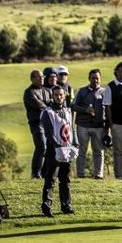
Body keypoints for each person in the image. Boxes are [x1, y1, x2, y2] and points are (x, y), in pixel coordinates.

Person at [40, 83, 78, 217]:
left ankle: (66, 206)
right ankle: (46, 206)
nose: (58, 97)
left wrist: (75, 143)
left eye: (61, 95)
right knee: (51, 179)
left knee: (65, 179)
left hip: (66, 150)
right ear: (52, 96)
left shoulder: (68, 110)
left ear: (64, 96)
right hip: (53, 151)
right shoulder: (47, 113)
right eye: (56, 95)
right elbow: (49, 134)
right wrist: (57, 146)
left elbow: (72, 128)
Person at [71, 68, 106, 179]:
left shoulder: (105, 92)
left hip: (99, 126)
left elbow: (110, 108)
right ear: (89, 78)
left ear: (100, 79)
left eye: (97, 78)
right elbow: (73, 106)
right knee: (82, 151)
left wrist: (107, 127)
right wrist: (85, 110)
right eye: (93, 78)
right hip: (83, 126)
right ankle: (80, 174)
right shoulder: (82, 91)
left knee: (98, 151)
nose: (95, 80)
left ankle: (98, 175)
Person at [22, 69, 49, 179]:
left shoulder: (46, 91)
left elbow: (52, 103)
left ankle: (44, 172)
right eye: (39, 77)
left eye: (42, 77)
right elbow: (39, 105)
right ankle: (35, 172)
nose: (42, 78)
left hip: (48, 123)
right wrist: (48, 106)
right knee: (41, 146)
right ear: (32, 79)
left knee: (48, 148)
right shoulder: (29, 92)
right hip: (36, 123)